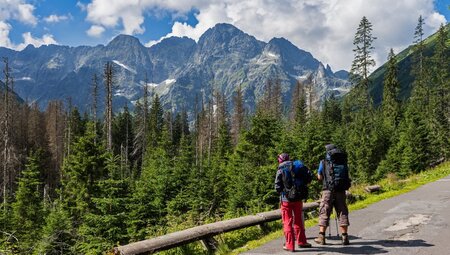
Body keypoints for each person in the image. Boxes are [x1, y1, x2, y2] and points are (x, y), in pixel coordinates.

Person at [275, 153, 312, 252]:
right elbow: (309, 178)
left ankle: (290, 245)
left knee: (287, 222)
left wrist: (284, 192)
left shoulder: (281, 169)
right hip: (298, 198)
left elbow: (277, 187)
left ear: (280, 160)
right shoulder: (297, 166)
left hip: (285, 200)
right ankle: (302, 242)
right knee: (298, 220)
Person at [314, 144, 351, 245]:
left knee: (324, 211)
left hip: (328, 190)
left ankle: (321, 236)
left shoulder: (324, 162)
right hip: (341, 189)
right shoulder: (343, 161)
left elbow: (319, 177)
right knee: (342, 211)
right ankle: (345, 237)